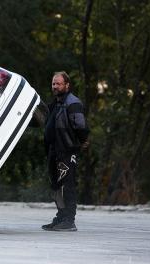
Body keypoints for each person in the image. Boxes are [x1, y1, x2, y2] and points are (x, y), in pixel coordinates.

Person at [42, 72, 89, 232]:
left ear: (67, 85)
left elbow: (81, 126)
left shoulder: (73, 103)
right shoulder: (55, 103)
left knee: (67, 186)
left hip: (67, 151)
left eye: (58, 84)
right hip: (53, 151)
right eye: (53, 84)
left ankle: (70, 220)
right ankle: (61, 217)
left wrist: (82, 142)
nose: (55, 86)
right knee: (56, 186)